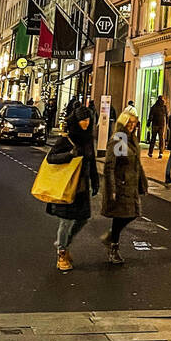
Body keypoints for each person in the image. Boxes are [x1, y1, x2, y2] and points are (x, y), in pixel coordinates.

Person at [44, 105, 99, 272]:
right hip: (68, 186)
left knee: (83, 218)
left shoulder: (88, 139)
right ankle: (61, 252)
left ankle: (65, 244)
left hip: (82, 187)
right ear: (76, 120)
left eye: (88, 120)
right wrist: (69, 155)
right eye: (83, 120)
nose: (86, 123)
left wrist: (95, 180)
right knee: (66, 221)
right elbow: (51, 158)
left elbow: (92, 161)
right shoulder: (67, 139)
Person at [100, 107, 148, 265]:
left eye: (134, 123)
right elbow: (110, 165)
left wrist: (142, 182)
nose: (132, 126)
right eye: (129, 123)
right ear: (123, 122)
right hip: (120, 184)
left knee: (132, 213)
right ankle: (113, 247)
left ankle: (111, 238)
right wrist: (111, 188)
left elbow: (136, 163)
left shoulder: (132, 139)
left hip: (130, 184)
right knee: (121, 215)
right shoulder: (119, 139)